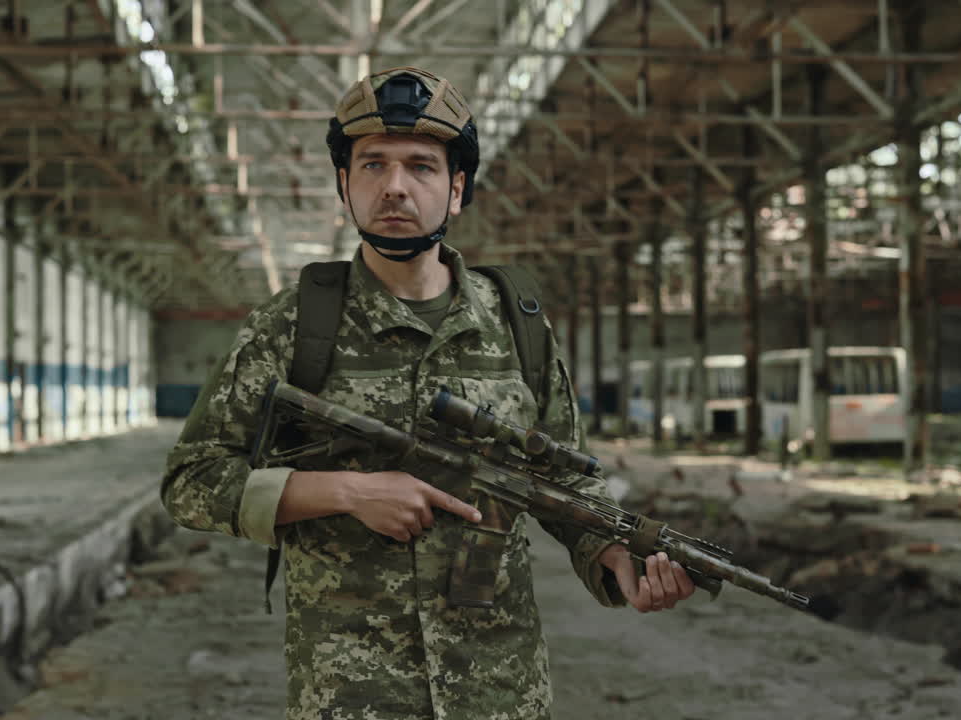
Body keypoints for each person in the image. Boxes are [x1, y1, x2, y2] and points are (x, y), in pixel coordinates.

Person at [161, 66, 695, 720]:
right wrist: (346, 492)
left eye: (421, 167)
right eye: (372, 165)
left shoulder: (518, 325)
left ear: (457, 189)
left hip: (500, 690)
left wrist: (615, 556)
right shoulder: (293, 325)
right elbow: (191, 479)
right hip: (350, 695)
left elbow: (564, 481)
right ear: (343, 184)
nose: (394, 186)